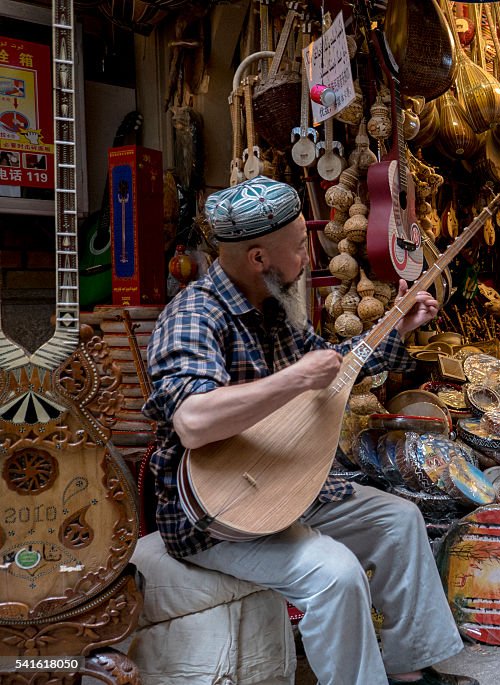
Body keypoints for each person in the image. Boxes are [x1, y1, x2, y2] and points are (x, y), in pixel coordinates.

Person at [143, 176, 475, 685]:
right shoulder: (194, 315)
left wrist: (398, 327)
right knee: (335, 574)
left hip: (287, 481)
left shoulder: (276, 309)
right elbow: (193, 421)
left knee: (399, 519)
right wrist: (293, 379)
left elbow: (334, 371)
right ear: (258, 258)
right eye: (299, 248)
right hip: (218, 510)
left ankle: (409, 670)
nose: (307, 258)